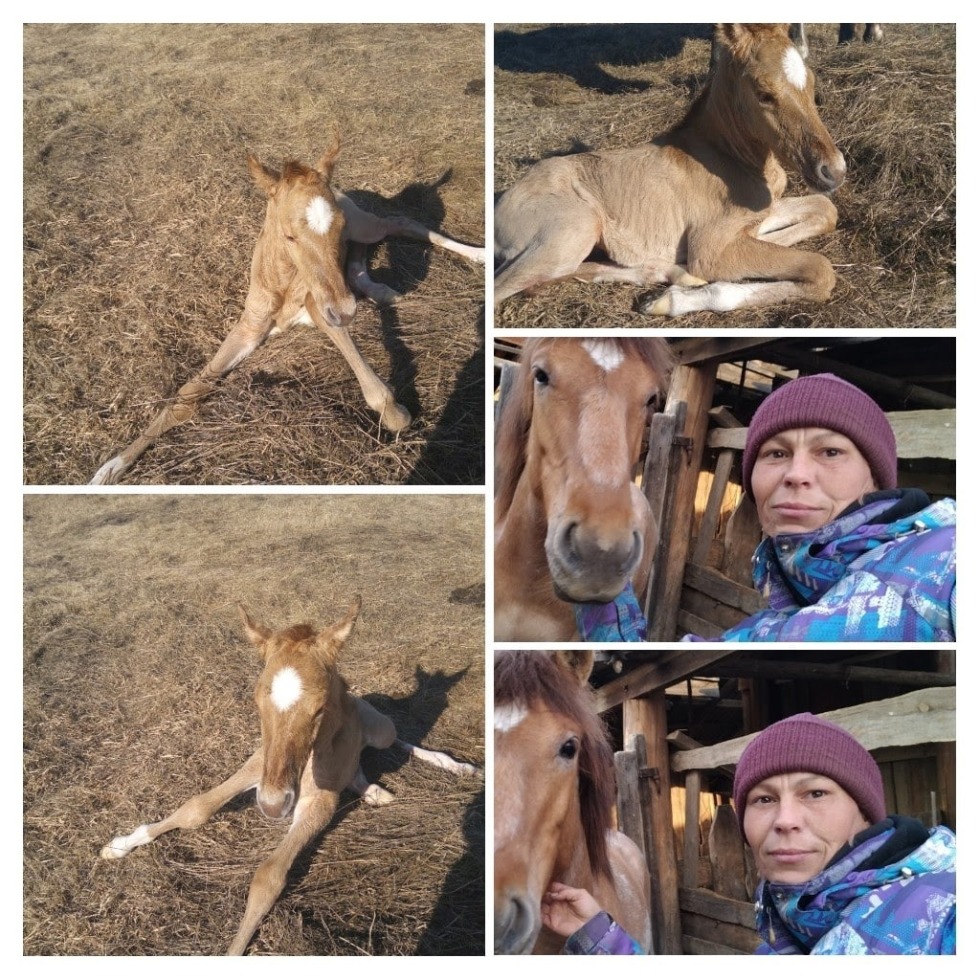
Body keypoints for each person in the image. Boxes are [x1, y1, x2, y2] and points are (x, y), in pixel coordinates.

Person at [543, 712, 956, 955]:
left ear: (865, 813)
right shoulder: (791, 923)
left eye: (815, 793)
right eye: (763, 799)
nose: (785, 819)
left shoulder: (948, 913)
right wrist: (596, 932)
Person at [684, 373, 955, 642]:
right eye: (776, 454)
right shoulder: (780, 613)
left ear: (875, 480)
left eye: (830, 452)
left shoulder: (948, 563)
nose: (796, 474)